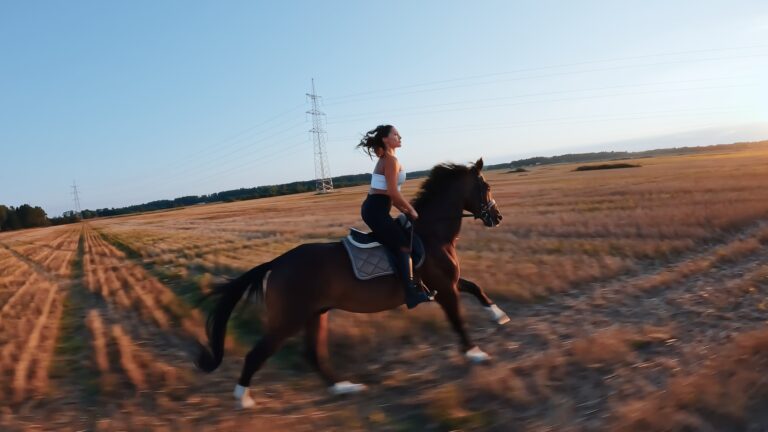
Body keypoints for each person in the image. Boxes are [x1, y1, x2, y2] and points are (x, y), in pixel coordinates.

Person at [357, 124, 433, 309]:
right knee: (403, 246)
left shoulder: (388, 158)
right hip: (376, 210)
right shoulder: (390, 160)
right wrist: (411, 211)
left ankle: (416, 284)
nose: (400, 137)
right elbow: (393, 192)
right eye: (396, 134)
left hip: (377, 208)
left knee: (403, 236)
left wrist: (405, 209)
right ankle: (410, 294)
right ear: (385, 139)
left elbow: (392, 194)